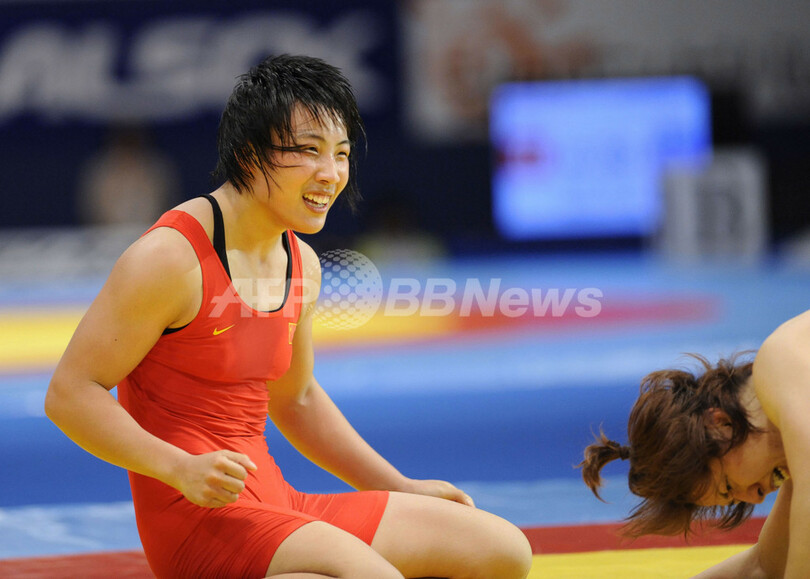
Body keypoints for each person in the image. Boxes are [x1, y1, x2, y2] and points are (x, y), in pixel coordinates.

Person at [45, 54, 532, 579]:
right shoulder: (170, 258)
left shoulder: (301, 263)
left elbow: (296, 398)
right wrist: (177, 467)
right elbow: (70, 393)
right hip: (197, 517)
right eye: (309, 152)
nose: (332, 174)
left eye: (342, 154)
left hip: (276, 506)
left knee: (502, 550)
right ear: (250, 154)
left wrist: (399, 485)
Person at [579, 309, 810, 578]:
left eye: (729, 487)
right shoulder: (797, 443)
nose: (756, 497)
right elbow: (764, 566)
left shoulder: (783, 359)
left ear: (721, 426)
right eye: (734, 498)